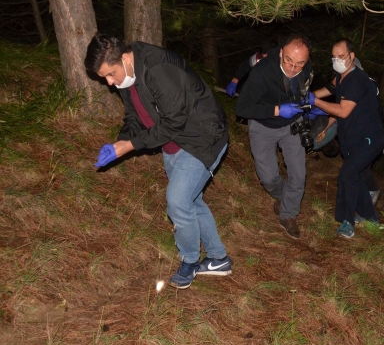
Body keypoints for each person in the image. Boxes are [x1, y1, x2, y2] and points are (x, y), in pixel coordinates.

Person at [85, 34, 231, 289]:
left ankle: (190, 260)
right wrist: (120, 142)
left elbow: (175, 122)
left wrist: (131, 145)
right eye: (104, 78)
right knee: (190, 201)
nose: (109, 82)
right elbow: (134, 117)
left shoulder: (159, 69)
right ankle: (218, 259)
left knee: (177, 202)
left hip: (203, 138)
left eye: (110, 74)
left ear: (125, 57)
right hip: (174, 143)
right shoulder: (128, 75)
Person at [235, 34, 319, 239]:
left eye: (299, 63)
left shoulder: (306, 69)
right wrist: (277, 110)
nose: (292, 68)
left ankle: (288, 215)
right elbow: (242, 108)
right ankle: (285, 195)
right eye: (288, 60)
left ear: (306, 61)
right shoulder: (262, 72)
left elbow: (303, 89)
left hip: (292, 125)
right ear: (281, 52)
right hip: (264, 125)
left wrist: (305, 104)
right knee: (269, 177)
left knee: (298, 175)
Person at [306, 38, 384, 238]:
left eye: (341, 57)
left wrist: (314, 101)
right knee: (356, 177)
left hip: (368, 139)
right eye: (334, 57)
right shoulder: (341, 77)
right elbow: (329, 90)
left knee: (347, 175)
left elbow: (342, 110)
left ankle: (346, 221)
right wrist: (305, 97)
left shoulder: (357, 79)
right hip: (351, 138)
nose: (337, 61)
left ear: (352, 56)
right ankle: (370, 217)